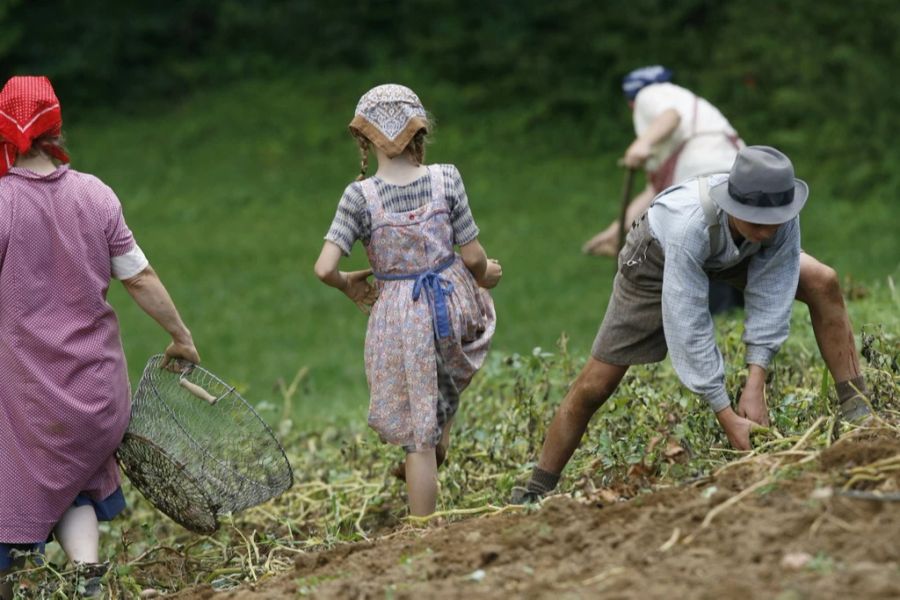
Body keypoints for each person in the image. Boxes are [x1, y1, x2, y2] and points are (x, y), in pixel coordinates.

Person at [514, 145, 872, 503]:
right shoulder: (690, 226)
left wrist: (755, 382)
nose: (766, 232)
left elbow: (772, 290)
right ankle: (537, 487)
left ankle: (858, 410)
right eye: (756, 222)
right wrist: (725, 413)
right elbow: (689, 323)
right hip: (655, 255)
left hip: (733, 251)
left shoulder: (779, 213)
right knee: (597, 384)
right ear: (733, 205)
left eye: (772, 222)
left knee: (822, 280)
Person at [0, 76, 200, 598]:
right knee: (73, 483)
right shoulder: (96, 195)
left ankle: (22, 574)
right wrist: (181, 337)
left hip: (28, 391)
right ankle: (87, 572)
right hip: (96, 393)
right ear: (58, 127)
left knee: (22, 466)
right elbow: (140, 278)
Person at [314, 84, 501, 517]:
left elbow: (324, 268)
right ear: (420, 134)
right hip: (452, 302)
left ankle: (423, 530)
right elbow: (473, 255)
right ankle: (437, 443)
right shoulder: (447, 178)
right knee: (441, 388)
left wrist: (347, 283)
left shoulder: (358, 198)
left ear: (363, 140)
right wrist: (486, 274)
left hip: (400, 315)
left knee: (418, 436)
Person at [582, 65, 744, 313]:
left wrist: (641, 144)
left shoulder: (651, 95)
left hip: (704, 175)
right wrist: (617, 229)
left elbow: (670, 116)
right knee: (736, 243)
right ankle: (741, 312)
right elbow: (652, 193)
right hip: (737, 172)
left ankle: (719, 317)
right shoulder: (687, 103)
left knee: (700, 250)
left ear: (631, 103)